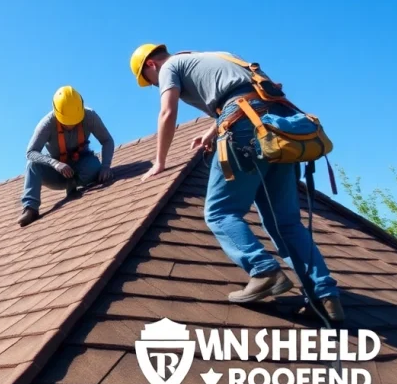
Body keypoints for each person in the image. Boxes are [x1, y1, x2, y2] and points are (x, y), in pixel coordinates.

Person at [129, 43, 343, 320]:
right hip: (277, 127)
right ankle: (325, 297)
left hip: (246, 126)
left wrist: (159, 161)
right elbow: (249, 95)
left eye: (150, 82)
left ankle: (264, 271)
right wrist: (210, 134)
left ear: (151, 65)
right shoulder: (218, 58)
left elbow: (167, 113)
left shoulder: (169, 66)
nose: (154, 85)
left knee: (220, 212)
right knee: (285, 222)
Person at [18, 86, 116, 227]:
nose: (71, 126)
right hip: (58, 174)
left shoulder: (90, 117)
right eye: (66, 123)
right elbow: (31, 152)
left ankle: (75, 186)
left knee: (94, 166)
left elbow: (107, 140)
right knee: (32, 166)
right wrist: (55, 164)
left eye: (75, 121)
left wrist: (106, 166)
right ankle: (31, 209)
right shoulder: (46, 124)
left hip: (82, 169)